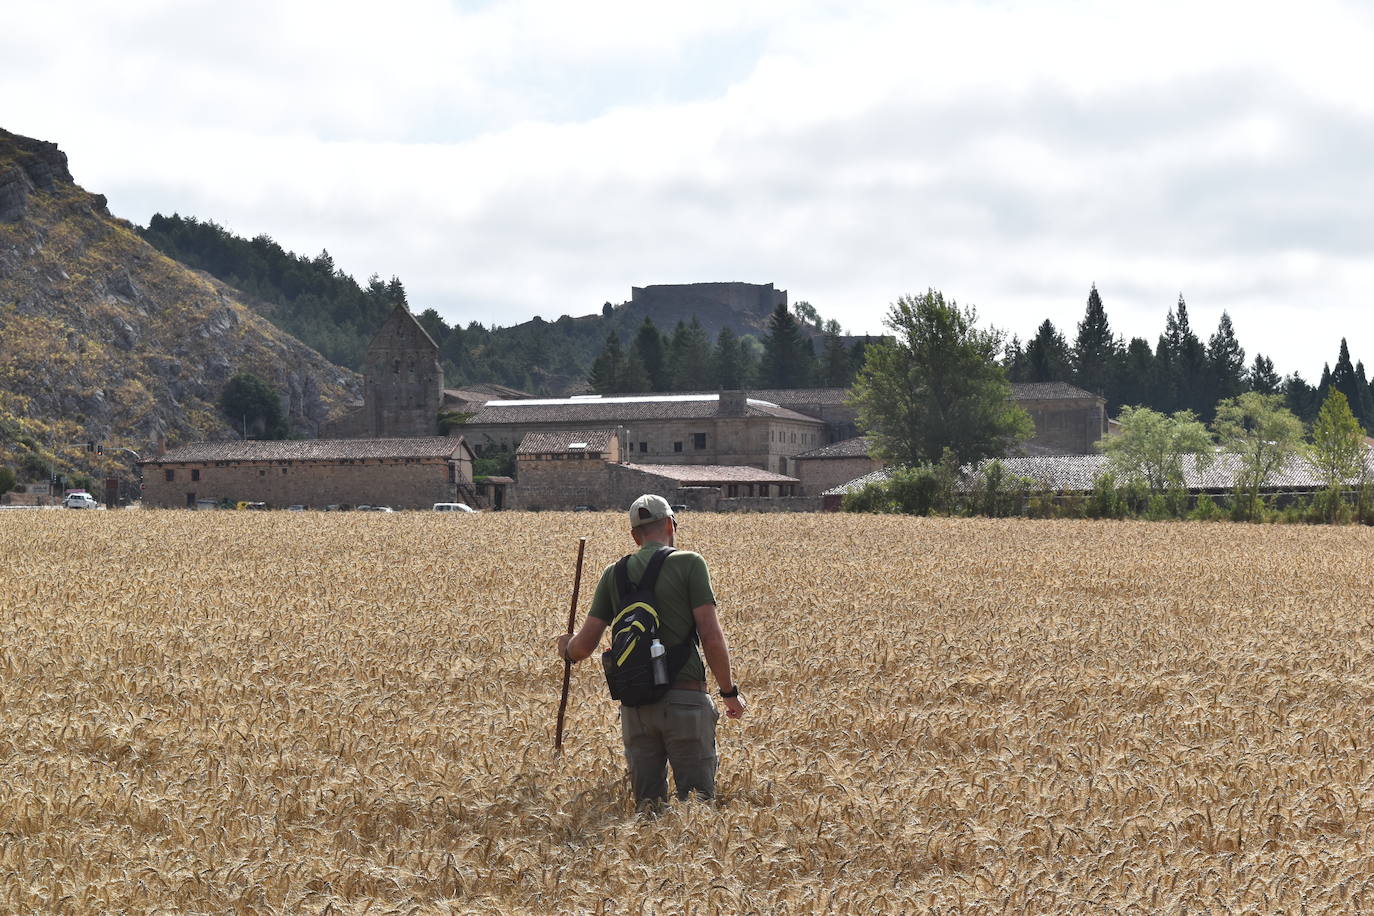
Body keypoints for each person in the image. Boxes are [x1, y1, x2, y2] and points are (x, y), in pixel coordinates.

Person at [557, 494, 746, 807]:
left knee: (648, 812)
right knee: (696, 808)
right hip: (686, 702)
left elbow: (584, 647)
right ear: (671, 524)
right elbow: (711, 636)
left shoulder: (613, 574)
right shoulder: (689, 563)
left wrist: (566, 647)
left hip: (636, 709)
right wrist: (729, 692)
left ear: (635, 536)